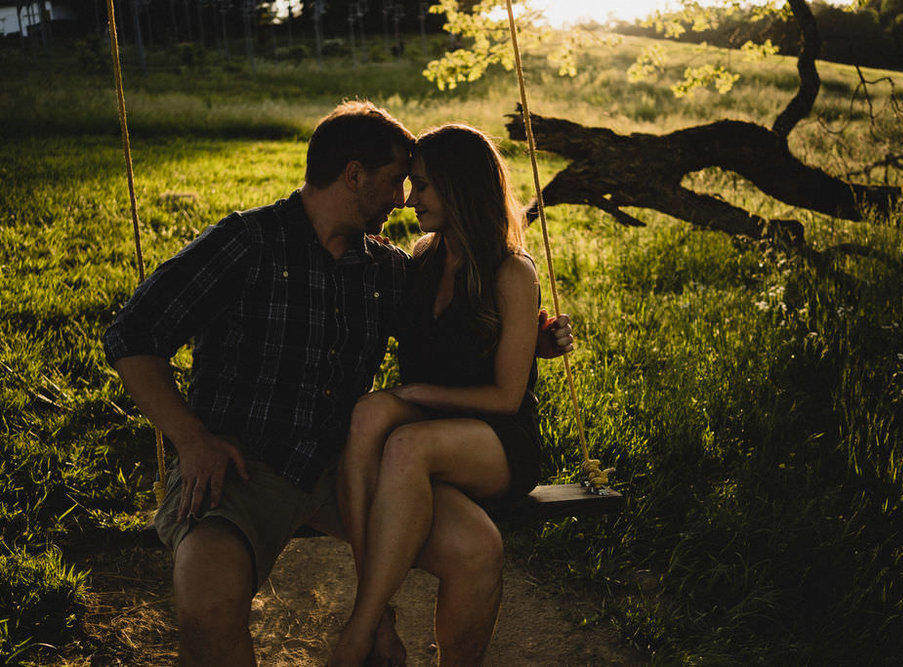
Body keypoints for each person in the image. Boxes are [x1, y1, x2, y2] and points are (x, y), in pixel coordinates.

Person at [102, 101, 571, 666]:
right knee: (206, 602)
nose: (404, 198)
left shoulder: (387, 269)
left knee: (477, 548)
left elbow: (454, 331)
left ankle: (373, 624)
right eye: (399, 181)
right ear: (354, 175)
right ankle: (374, 628)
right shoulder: (247, 243)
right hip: (243, 466)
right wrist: (191, 439)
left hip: (343, 467)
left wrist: (528, 340)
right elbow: (132, 333)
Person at [329, 124, 544, 666]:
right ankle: (377, 618)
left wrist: (421, 391)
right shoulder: (421, 260)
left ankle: (361, 628)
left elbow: (505, 397)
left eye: (421, 186)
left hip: (498, 439)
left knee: (406, 446)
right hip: (430, 427)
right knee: (371, 411)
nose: (409, 198)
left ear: (460, 187)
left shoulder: (511, 272)